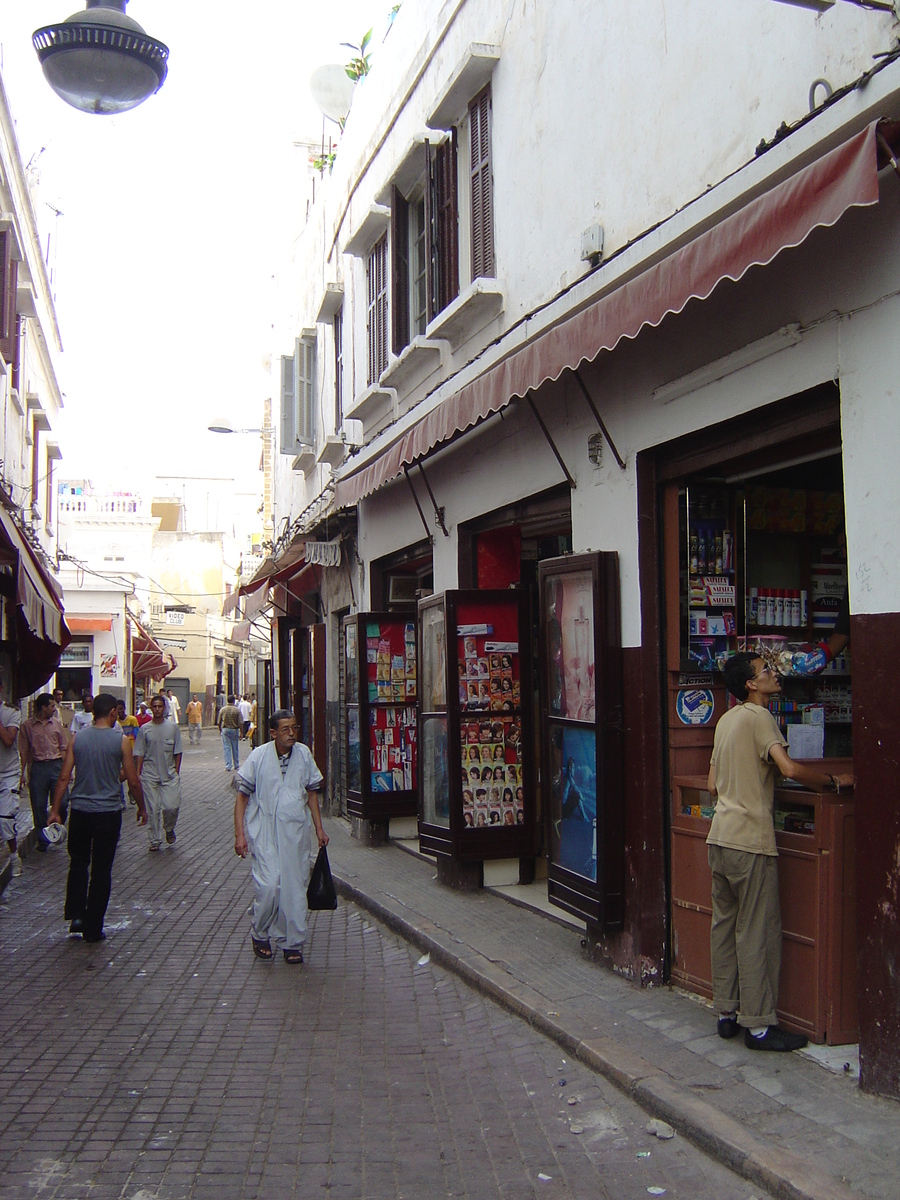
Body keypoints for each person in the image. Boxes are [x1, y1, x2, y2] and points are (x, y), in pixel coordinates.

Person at [707, 653, 854, 1051]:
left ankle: (727, 1012)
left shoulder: (725, 721)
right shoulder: (759, 718)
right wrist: (833, 781)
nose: (774, 674)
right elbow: (788, 769)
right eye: (765, 670)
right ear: (751, 685)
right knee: (756, 930)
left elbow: (711, 785)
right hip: (750, 840)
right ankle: (758, 1026)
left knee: (724, 926)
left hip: (719, 837)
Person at [47, 693, 146, 942]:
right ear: (113, 712)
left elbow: (64, 777)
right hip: (108, 813)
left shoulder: (77, 739)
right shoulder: (121, 741)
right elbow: (133, 780)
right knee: (101, 869)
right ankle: (94, 926)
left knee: (78, 863)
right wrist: (142, 807)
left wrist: (55, 810)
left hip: (80, 811)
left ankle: (77, 916)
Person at [233, 709, 327, 964]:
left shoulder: (304, 755)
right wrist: (239, 835)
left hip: (294, 831)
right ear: (273, 733)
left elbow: (311, 793)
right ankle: (259, 931)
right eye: (285, 729)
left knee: (294, 888)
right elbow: (242, 798)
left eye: (294, 728)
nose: (291, 734)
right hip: (264, 831)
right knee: (270, 884)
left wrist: (319, 828)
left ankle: (291, 942)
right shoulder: (259, 757)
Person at [19, 693, 68, 851]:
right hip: (39, 767)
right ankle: (43, 839)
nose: (54, 709)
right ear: (43, 707)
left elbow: (63, 747)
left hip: (56, 765)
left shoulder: (57, 724)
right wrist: (22, 773)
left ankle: (55, 823)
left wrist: (67, 769)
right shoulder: (28, 726)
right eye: (52, 706)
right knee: (38, 805)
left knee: (62, 801)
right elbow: (24, 750)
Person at [133, 695, 182, 851]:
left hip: (169, 775)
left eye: (160, 706)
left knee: (171, 806)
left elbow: (178, 752)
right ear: (151, 708)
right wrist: (137, 774)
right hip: (149, 775)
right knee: (153, 808)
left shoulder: (173, 728)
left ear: (164, 708)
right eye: (154, 706)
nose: (157, 709)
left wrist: (176, 771)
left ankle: (169, 828)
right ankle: (154, 840)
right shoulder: (144, 729)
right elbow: (139, 753)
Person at [0, 681, 22, 877]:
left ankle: (14, 856)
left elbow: (8, 740)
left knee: (6, 818)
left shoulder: (11, 712)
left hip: (8, 772)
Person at [218, 695, 241, 772]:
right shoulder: (237, 710)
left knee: (227, 747)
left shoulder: (223, 709)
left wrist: (220, 730)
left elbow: (219, 721)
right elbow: (241, 722)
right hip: (234, 730)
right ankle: (236, 764)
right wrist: (242, 732)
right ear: (234, 701)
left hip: (225, 729)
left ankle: (228, 765)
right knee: (235, 747)